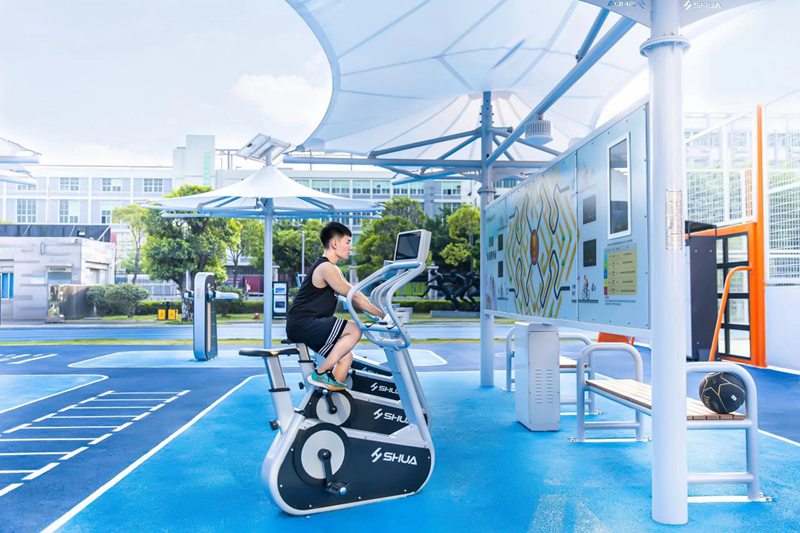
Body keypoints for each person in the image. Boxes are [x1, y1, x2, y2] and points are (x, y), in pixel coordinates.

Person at [286, 222, 384, 391]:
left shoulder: (331, 268)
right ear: (334, 243)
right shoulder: (326, 268)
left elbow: (352, 293)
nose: (350, 248)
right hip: (303, 323)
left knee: (345, 357)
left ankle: (329, 399)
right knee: (355, 330)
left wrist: (375, 313)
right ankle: (321, 373)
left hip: (305, 323)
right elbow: (355, 297)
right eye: (348, 242)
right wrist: (384, 316)